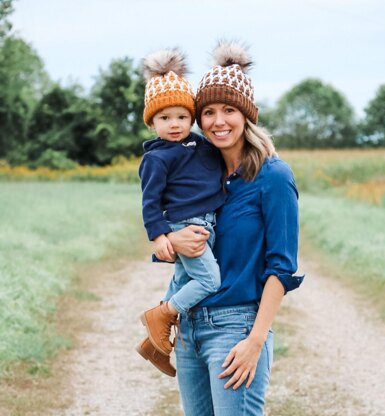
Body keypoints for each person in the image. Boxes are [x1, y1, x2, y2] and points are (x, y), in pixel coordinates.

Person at [157, 41, 304, 415]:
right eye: (208, 111)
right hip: (188, 328)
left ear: (247, 115)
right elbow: (178, 241)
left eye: (229, 110)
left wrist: (255, 341)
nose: (218, 121)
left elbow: (281, 268)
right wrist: (170, 237)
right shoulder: (195, 174)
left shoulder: (273, 176)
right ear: (197, 119)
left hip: (236, 327)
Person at [136, 49, 226, 376]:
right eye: (164, 118)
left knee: (183, 279)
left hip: (207, 223)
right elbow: (150, 201)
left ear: (192, 118)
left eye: (181, 117)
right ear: (152, 122)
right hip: (185, 225)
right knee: (209, 280)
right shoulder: (157, 158)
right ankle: (160, 315)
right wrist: (160, 235)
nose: (174, 124)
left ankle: (154, 343)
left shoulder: (200, 145)